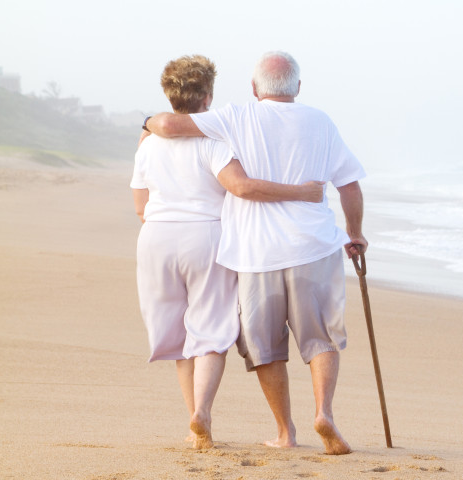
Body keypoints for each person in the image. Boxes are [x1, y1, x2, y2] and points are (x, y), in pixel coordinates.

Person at [145, 51, 366, 455]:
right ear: (298, 87)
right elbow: (349, 184)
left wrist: (145, 123)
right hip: (313, 246)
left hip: (254, 253)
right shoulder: (321, 121)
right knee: (321, 338)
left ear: (253, 88)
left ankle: (285, 431)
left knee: (265, 347)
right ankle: (325, 413)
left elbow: (167, 124)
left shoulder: (236, 116)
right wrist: (355, 234)